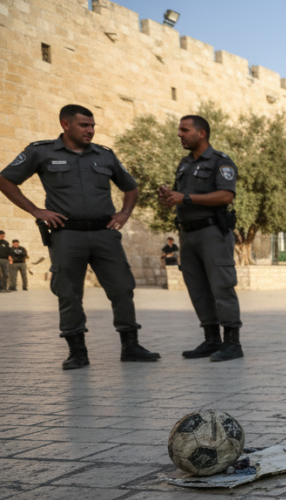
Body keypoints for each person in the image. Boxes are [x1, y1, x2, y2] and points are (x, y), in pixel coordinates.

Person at [0, 104, 160, 369]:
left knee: (122, 288)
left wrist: (124, 214)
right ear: (65, 124)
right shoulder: (41, 151)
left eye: (93, 125)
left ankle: (130, 346)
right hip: (67, 235)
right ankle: (77, 352)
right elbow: (5, 180)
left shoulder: (104, 155)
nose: (91, 130)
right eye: (84, 125)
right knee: (68, 292)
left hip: (104, 233)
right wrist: (36, 210)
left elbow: (130, 187)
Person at [159, 115, 243, 362]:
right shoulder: (184, 164)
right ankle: (211, 339)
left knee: (221, 286)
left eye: (185, 130)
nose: (180, 134)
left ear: (201, 133)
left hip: (212, 233)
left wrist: (184, 198)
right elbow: (180, 195)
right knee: (197, 288)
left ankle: (232, 343)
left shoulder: (220, 162)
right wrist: (169, 197)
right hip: (187, 234)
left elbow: (226, 196)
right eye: (179, 130)